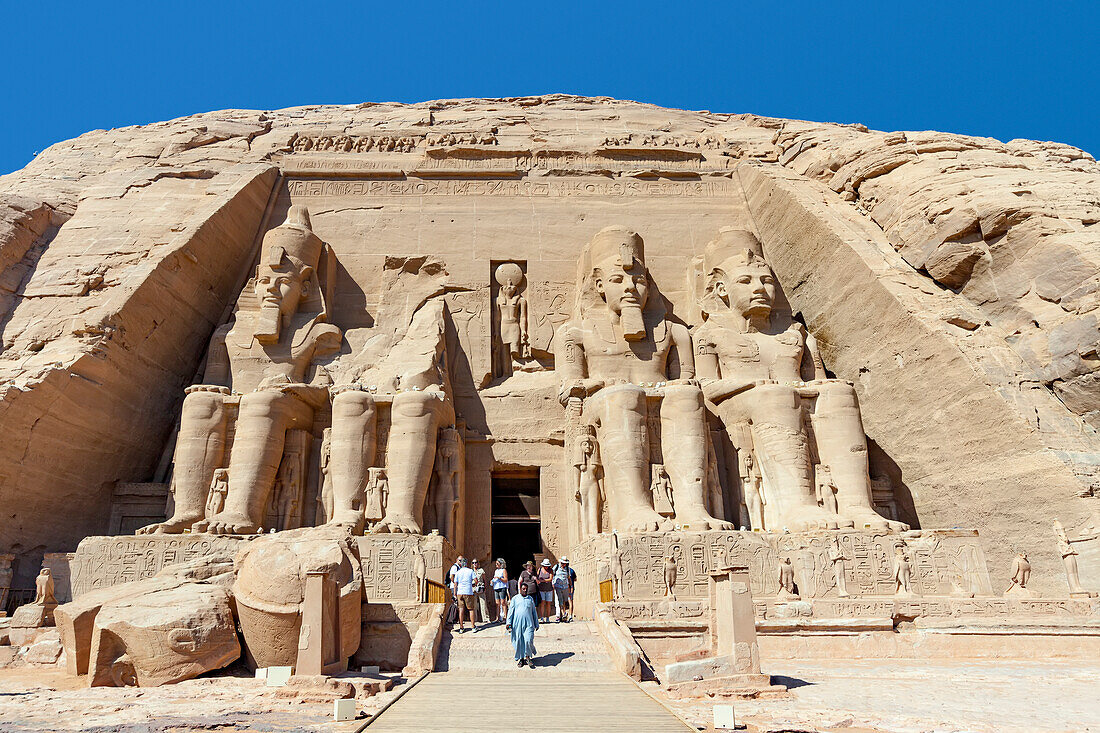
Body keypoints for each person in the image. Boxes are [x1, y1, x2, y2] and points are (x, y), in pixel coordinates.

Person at [506, 583, 539, 668]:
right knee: (519, 642)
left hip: (529, 624)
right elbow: (510, 612)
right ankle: (521, 659)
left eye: (526, 589)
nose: (525, 590)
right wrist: (508, 623)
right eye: (523, 589)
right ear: (520, 589)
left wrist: (536, 623)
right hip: (517, 624)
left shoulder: (530, 599)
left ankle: (528, 657)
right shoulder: (515, 599)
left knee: (528, 640)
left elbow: (534, 612)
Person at [453, 558, 477, 633]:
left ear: (461, 564)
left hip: (460, 592)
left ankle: (461, 627)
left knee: (461, 609)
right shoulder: (470, 571)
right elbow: (476, 580)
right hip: (468, 592)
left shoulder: (458, 572)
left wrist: (455, 593)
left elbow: (455, 584)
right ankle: (473, 626)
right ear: (466, 563)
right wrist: (473, 585)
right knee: (471, 609)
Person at [552, 557, 577, 622]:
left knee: (566, 601)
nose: (564, 564)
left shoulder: (567, 569)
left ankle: (567, 614)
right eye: (563, 563)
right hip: (558, 586)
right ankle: (564, 614)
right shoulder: (556, 567)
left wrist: (571, 586)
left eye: (565, 563)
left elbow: (569, 578)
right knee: (560, 600)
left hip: (565, 586)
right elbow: (552, 575)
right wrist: (553, 583)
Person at [471, 558, 491, 624]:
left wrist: (485, 588)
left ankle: (486, 618)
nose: (474, 564)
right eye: (473, 563)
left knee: (483, 603)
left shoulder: (481, 570)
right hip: (473, 588)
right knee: (474, 605)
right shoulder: (471, 571)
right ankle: (475, 619)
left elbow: (485, 580)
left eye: (476, 562)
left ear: (478, 563)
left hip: (480, 588)